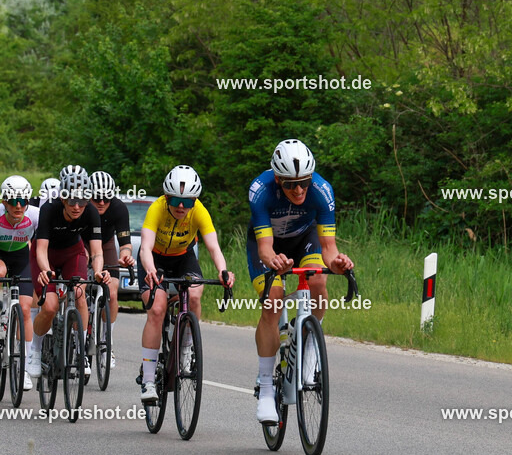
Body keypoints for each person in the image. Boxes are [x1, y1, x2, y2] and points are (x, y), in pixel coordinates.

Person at [247, 139, 354, 424]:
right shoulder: (261, 191)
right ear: (278, 179)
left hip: (305, 242)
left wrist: (338, 264)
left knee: (319, 283)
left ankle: (307, 352)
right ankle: (267, 388)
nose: (298, 190)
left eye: (304, 182)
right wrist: (274, 262)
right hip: (269, 247)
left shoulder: (321, 191)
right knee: (272, 301)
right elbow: (265, 249)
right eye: (291, 185)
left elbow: (328, 248)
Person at [138, 165, 234, 403]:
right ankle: (149, 380)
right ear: (168, 197)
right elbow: (146, 247)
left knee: (194, 295)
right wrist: (150, 270)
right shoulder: (156, 209)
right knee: (157, 308)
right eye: (177, 201)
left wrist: (223, 271)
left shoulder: (199, 211)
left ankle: (186, 348)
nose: (182, 207)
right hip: (155, 259)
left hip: (183, 258)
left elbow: (213, 247)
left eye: (188, 202)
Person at [27, 169, 109, 379]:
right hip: (47, 255)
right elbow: (41, 250)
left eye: (82, 201)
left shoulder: (90, 212)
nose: (76, 207)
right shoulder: (49, 209)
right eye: (72, 200)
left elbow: (97, 252)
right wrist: (45, 270)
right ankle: (34, 351)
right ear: (63, 197)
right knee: (50, 305)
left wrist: (99, 271)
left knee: (80, 294)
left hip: (73, 253)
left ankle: (81, 352)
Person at [0, 176, 39, 390]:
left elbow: (41, 246)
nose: (19, 206)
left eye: (23, 201)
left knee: (25, 310)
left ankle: (23, 367)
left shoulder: (34, 215)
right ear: (4, 201)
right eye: (13, 201)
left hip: (22, 256)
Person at [89, 171, 135, 367]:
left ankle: (107, 341)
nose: (101, 202)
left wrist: (125, 254)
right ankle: (77, 337)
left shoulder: (118, 208)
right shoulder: (80, 206)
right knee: (78, 290)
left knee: (112, 292)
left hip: (106, 244)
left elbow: (125, 242)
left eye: (106, 198)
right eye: (96, 197)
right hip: (81, 243)